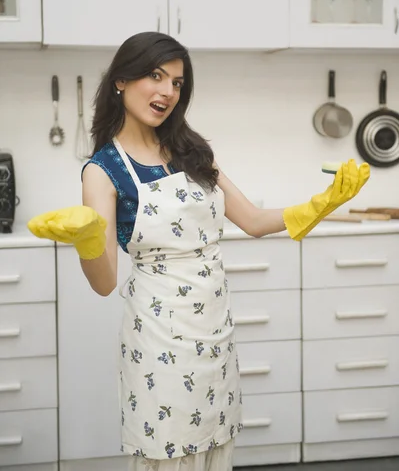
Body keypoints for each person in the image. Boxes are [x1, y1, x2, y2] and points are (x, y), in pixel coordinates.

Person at [28, 32, 370, 471]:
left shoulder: (191, 151)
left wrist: (324, 201)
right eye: (156, 76)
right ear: (120, 80)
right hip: (159, 340)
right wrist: (89, 241)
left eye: (177, 82)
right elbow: (105, 282)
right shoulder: (103, 170)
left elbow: (253, 220)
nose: (168, 91)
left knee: (214, 447)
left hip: (215, 331)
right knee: (169, 451)